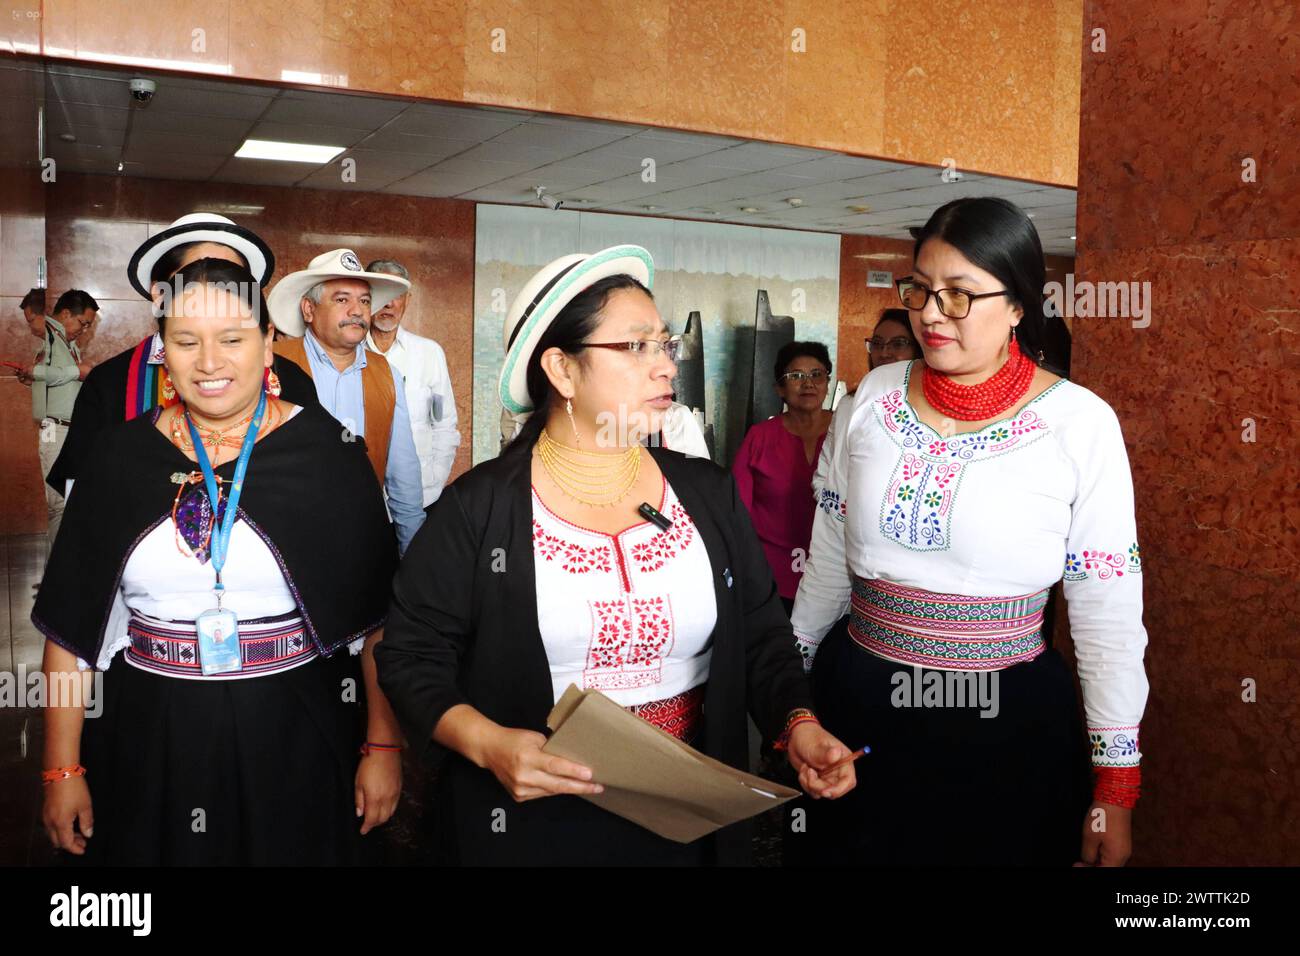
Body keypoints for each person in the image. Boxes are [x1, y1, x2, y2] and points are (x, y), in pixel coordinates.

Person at [376, 244, 855, 866]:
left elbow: (762, 633)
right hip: (535, 812)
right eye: (636, 348)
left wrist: (799, 726)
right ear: (562, 369)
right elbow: (411, 655)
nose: (665, 369)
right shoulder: (480, 509)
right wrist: (489, 744)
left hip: (688, 807)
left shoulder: (705, 494)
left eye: (665, 345)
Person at [791, 197, 1148, 866]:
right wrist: (792, 694)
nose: (929, 313)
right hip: (861, 699)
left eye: (959, 295)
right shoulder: (872, 396)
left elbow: (1108, 616)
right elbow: (830, 557)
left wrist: (1116, 783)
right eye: (921, 289)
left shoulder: (1079, 423)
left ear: (1017, 304)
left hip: (1003, 719)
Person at [33, 258, 403, 865]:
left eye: (232, 339)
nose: (209, 362)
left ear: (267, 345)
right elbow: (71, 627)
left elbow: (377, 624)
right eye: (186, 341)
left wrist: (383, 747)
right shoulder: (119, 458)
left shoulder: (327, 454)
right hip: (149, 728)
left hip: (295, 726)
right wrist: (60, 768)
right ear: (162, 350)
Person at [44, 213, 317, 501]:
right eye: (194, 277)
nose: (212, 291)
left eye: (227, 279)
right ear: (159, 295)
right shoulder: (110, 383)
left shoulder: (291, 379)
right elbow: (85, 498)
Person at [268, 249, 425, 554]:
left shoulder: (386, 375)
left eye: (364, 301)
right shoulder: (273, 366)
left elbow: (402, 476)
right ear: (308, 310)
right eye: (342, 300)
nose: (357, 311)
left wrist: (414, 562)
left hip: (361, 539)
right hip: (282, 537)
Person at [732, 341, 833, 615]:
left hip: (835, 573)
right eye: (795, 376)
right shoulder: (759, 437)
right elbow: (738, 510)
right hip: (771, 575)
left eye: (817, 374)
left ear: (827, 382)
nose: (808, 383)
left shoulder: (847, 431)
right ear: (779, 388)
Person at [364, 258, 461, 507]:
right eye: (380, 292)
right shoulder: (348, 353)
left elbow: (444, 423)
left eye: (396, 293)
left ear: (407, 299)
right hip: (362, 496)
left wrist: (435, 479)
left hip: (420, 496)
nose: (388, 303)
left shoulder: (429, 353)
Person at [16, 289, 98, 549]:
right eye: (82, 323)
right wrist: (77, 371)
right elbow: (55, 374)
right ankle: (57, 574)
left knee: (67, 502)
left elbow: (52, 382)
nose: (84, 330)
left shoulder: (66, 343)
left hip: (67, 430)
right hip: (54, 429)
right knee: (59, 504)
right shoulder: (54, 338)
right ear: (65, 314)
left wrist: (34, 379)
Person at [813, 309, 921, 499]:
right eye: (877, 344)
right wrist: (838, 510)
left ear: (918, 349)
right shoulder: (850, 404)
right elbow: (824, 471)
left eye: (898, 344)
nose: (885, 352)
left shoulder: (928, 410)